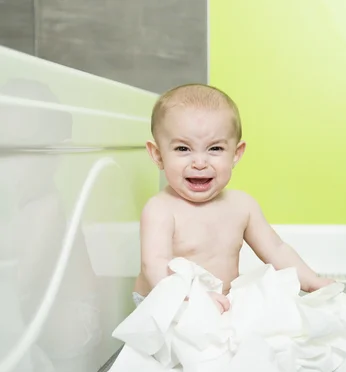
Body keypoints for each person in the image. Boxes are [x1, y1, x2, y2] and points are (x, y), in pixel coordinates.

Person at [133, 83, 335, 312]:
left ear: (236, 154)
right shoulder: (160, 209)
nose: (199, 163)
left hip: (220, 302)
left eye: (215, 149)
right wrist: (191, 296)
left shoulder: (242, 206)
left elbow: (277, 250)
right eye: (182, 149)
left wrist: (310, 280)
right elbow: (154, 265)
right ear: (158, 155)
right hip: (166, 301)